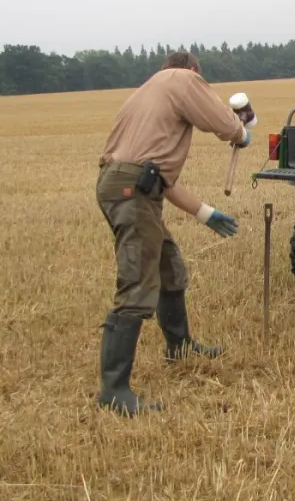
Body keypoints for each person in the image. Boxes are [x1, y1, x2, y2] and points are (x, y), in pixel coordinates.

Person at [93, 50, 250, 416]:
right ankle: (113, 390)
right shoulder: (183, 79)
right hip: (133, 190)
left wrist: (205, 213)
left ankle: (178, 347)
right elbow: (223, 123)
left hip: (131, 186)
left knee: (169, 267)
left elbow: (162, 182)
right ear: (192, 70)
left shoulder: (151, 88)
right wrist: (241, 132)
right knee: (137, 284)